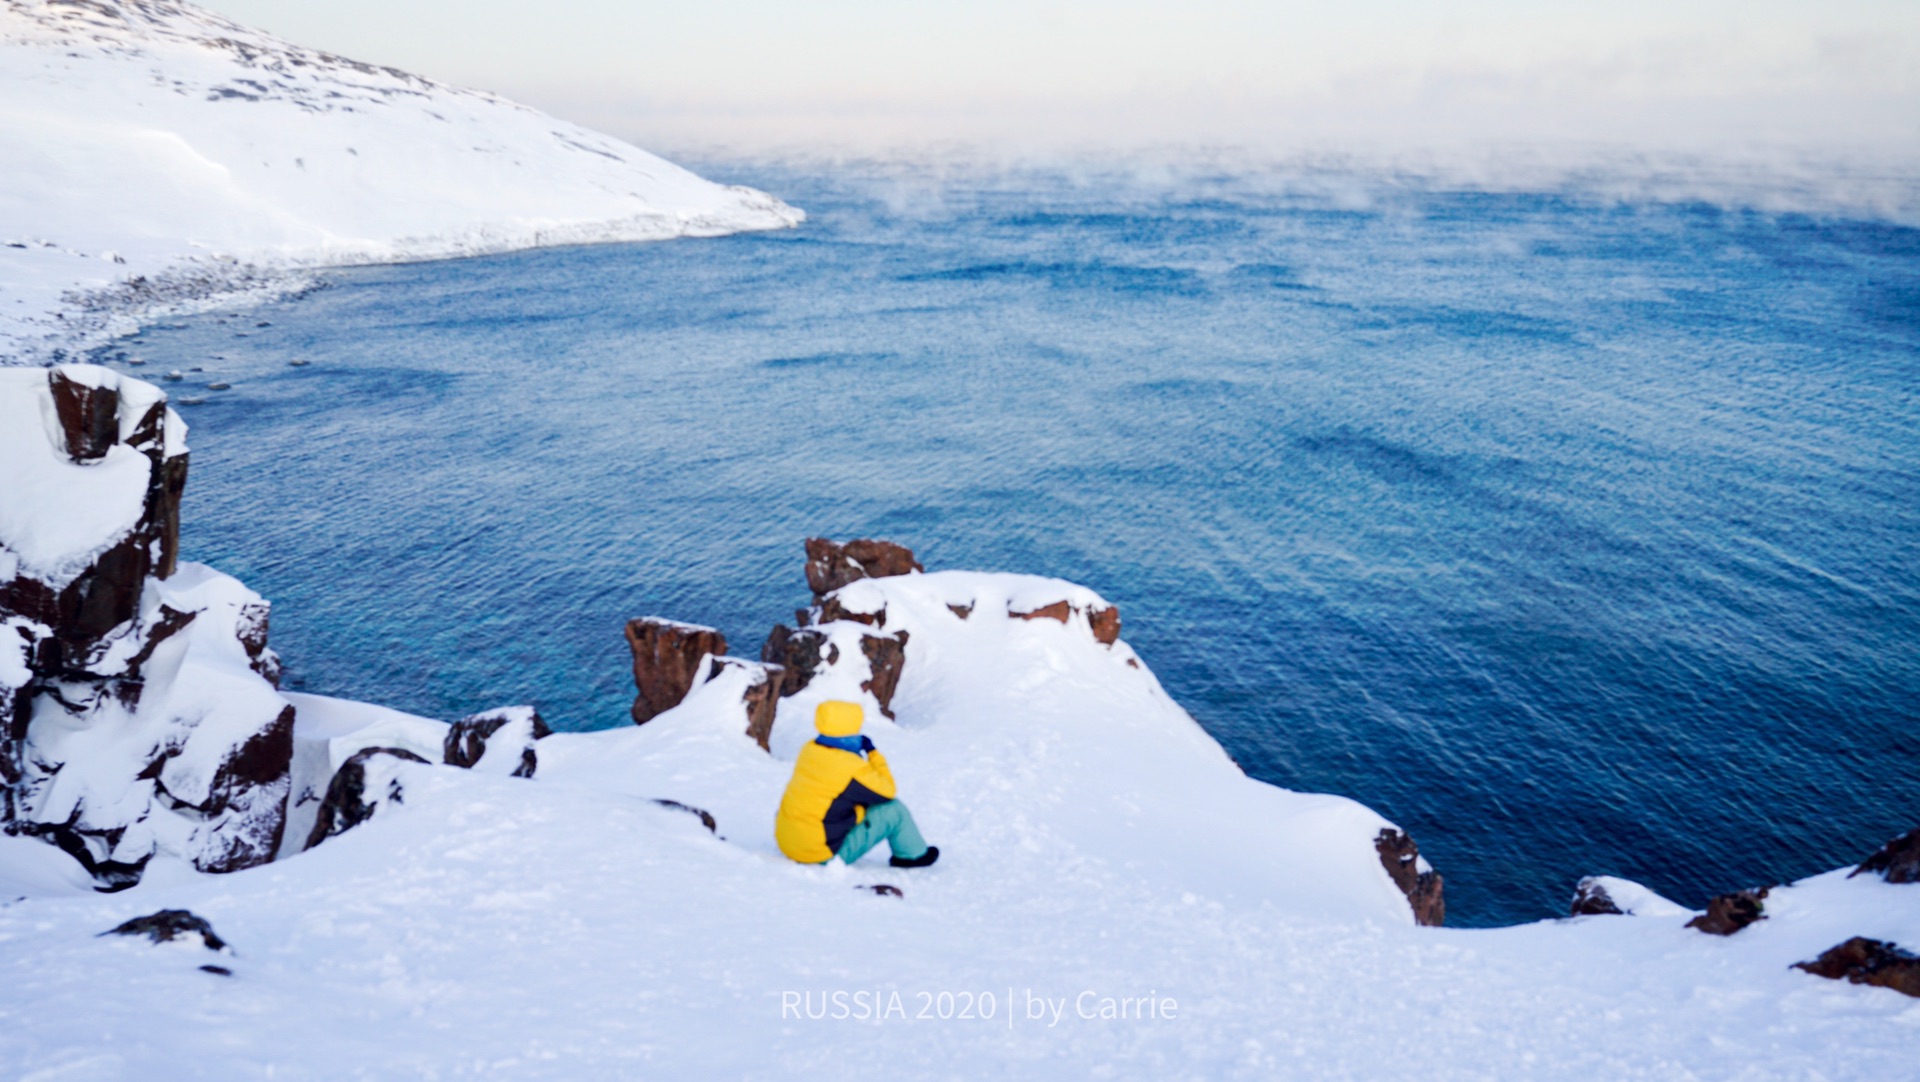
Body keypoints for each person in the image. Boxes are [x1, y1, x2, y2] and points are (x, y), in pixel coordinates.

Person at [775, 700, 939, 868]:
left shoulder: (809, 750)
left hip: (789, 843)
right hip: (819, 854)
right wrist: (873, 754)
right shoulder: (850, 766)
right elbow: (887, 791)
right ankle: (913, 856)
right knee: (894, 810)